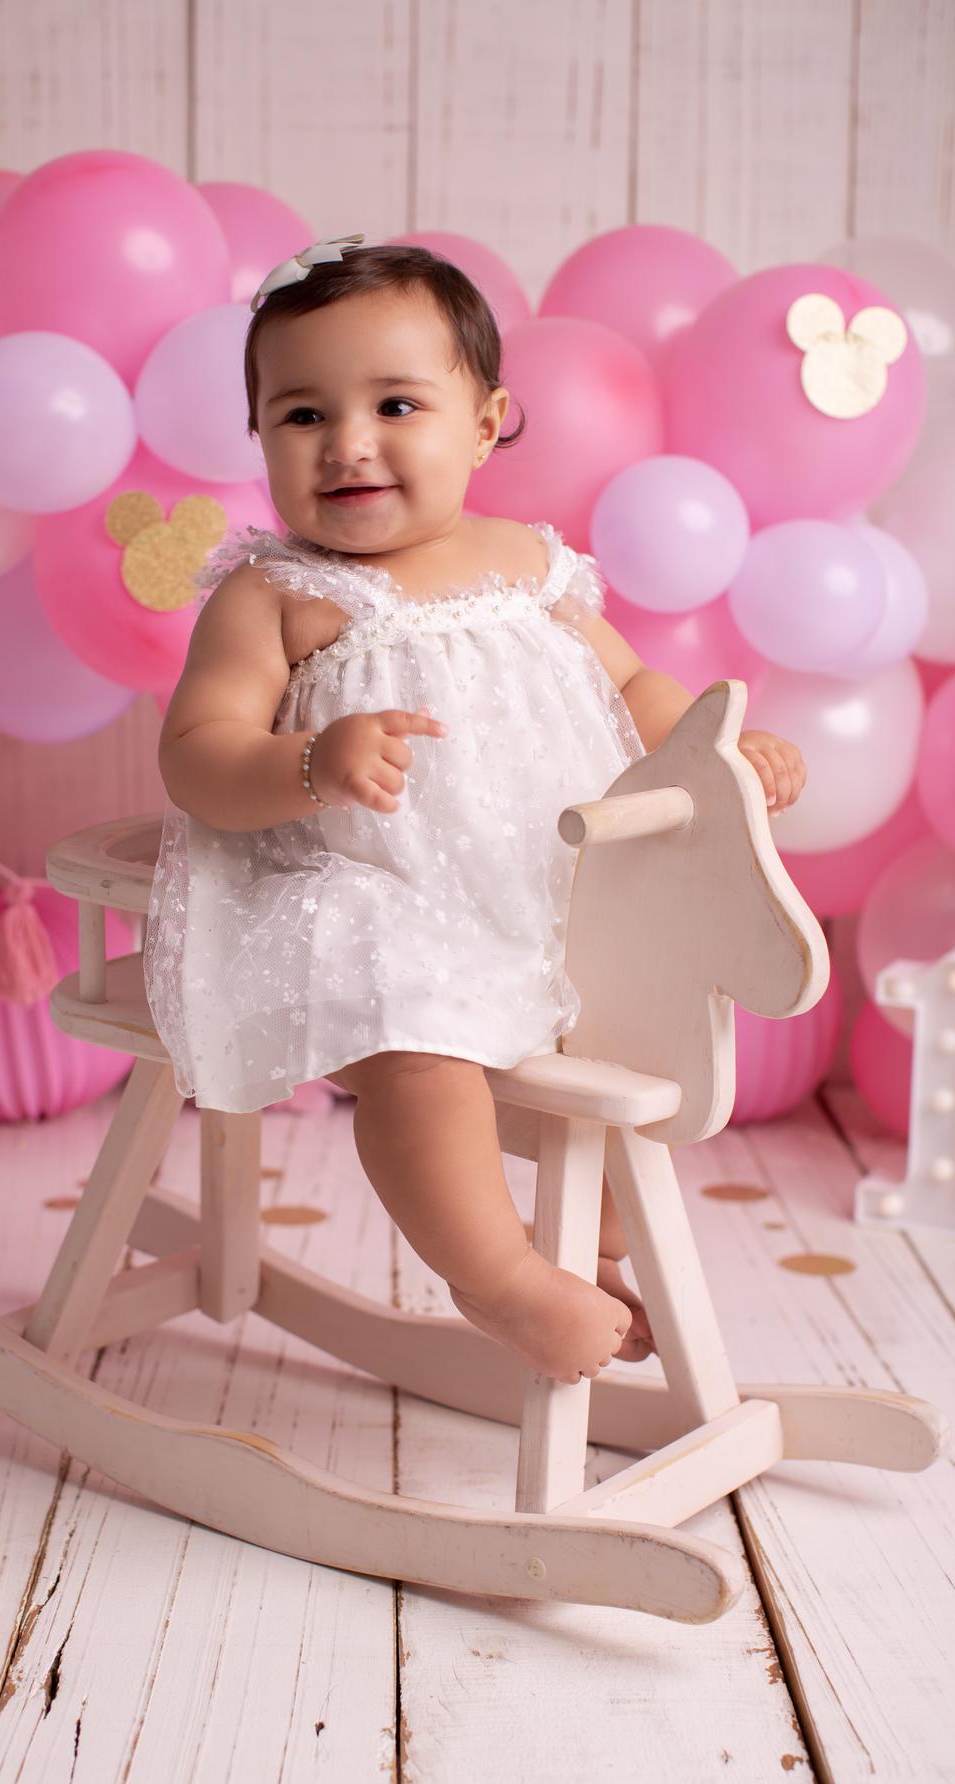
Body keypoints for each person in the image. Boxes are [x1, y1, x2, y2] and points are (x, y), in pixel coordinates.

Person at [147, 242, 805, 1386]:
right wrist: (310, 763)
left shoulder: (529, 565)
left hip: (552, 883)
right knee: (416, 1052)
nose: (348, 443)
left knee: (641, 1013)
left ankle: (592, 1244)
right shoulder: (278, 594)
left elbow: (635, 690)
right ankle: (498, 1277)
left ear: (487, 422)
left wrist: (718, 753)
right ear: (258, 435)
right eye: (302, 414)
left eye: (396, 405)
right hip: (381, 889)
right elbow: (197, 756)